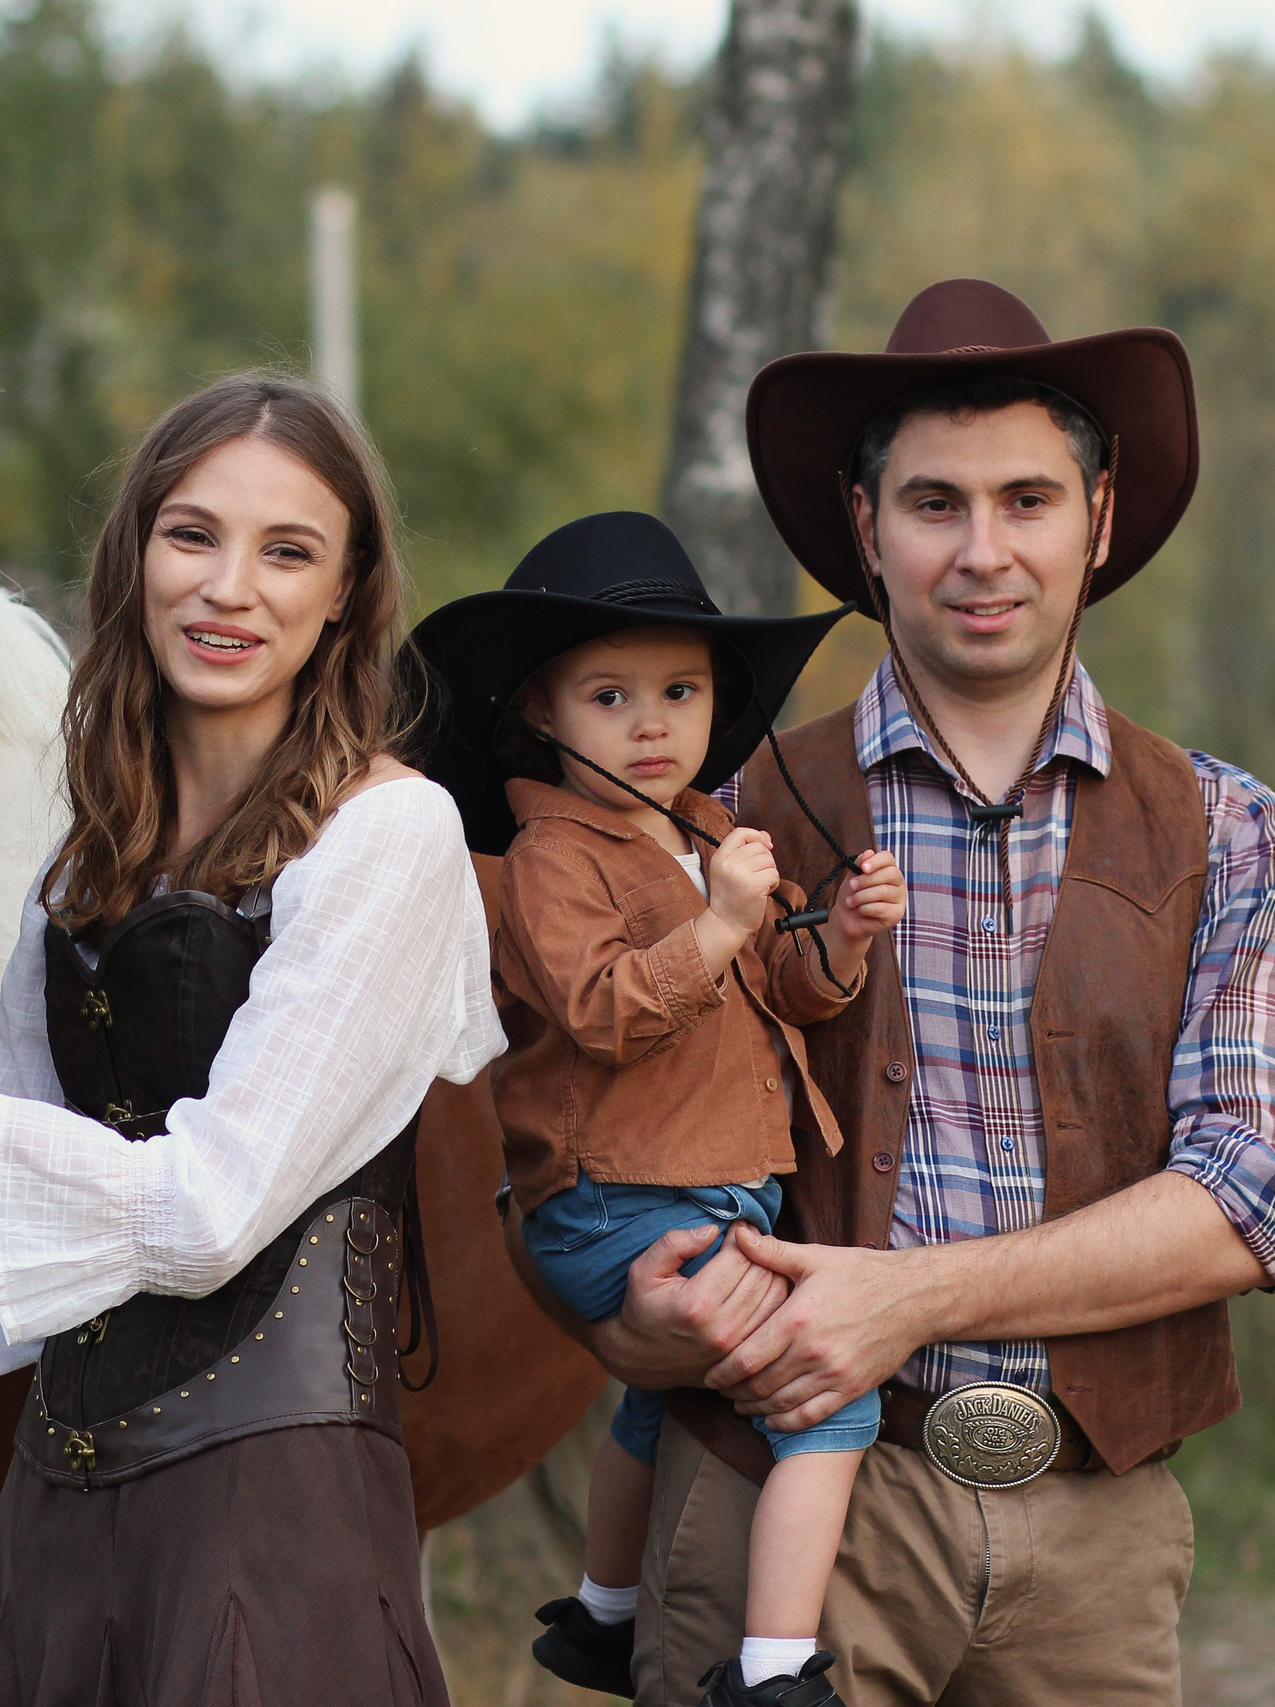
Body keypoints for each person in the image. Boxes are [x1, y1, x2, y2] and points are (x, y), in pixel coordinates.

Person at [505, 281, 1275, 1705]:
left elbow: (1246, 1192)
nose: (984, 550)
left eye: (1028, 498)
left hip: (1100, 1532)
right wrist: (611, 1315)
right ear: (864, 525)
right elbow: (558, 1117)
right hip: (774, 1504)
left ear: (1102, 518)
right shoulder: (718, 816)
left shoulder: (1226, 827)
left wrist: (907, 1297)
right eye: (936, 502)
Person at [0, 371, 500, 1706]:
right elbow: (12, 1224)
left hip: (272, 1521)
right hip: (58, 1519)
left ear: (346, 596)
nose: (228, 586)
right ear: (134, 556)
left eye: (286, 549)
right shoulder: (82, 869)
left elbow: (207, 1211)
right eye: (192, 534)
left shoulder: (391, 839)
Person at [407, 512, 905, 1706]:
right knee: (833, 1401)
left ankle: (604, 1610)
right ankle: (778, 1671)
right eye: (610, 698)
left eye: (680, 693)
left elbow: (781, 989)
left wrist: (832, 937)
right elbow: (598, 1012)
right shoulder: (550, 857)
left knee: (660, 1401)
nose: (651, 726)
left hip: (704, 1184)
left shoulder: (707, 829)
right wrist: (722, 923)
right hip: (610, 1200)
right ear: (540, 715)